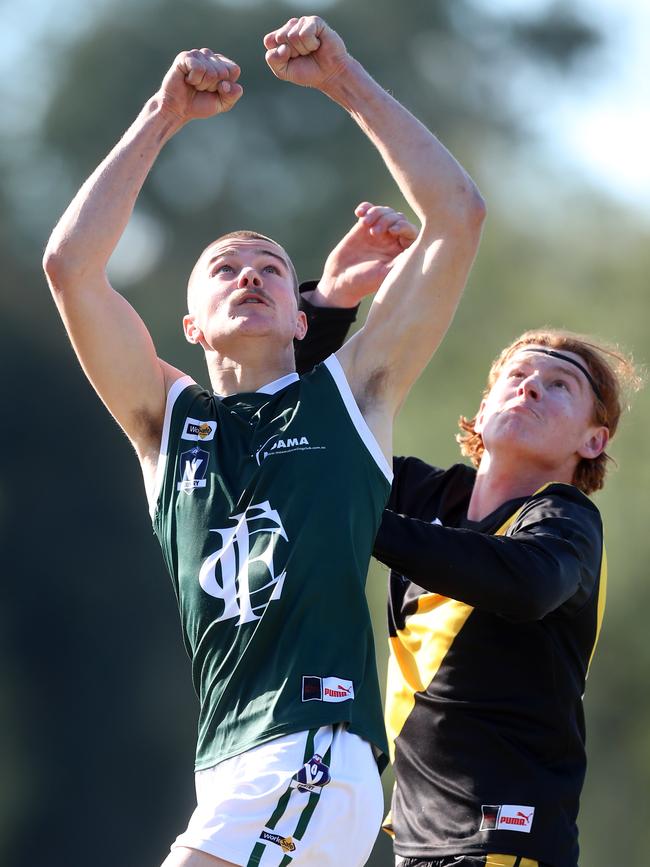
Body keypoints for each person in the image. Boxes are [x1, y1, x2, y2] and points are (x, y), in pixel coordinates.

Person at [43, 15, 486, 867]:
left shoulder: (350, 392)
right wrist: (162, 114)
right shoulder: (165, 422)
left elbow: (457, 216)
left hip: (313, 749)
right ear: (191, 326)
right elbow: (70, 267)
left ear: (300, 311)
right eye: (224, 268)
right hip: (226, 766)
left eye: (272, 269)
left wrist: (345, 81)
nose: (250, 274)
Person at [294, 210, 642, 867]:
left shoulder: (563, 519)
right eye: (516, 376)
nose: (532, 384)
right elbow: (314, 438)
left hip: (508, 840)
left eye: (560, 385)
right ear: (482, 411)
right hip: (420, 844)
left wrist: (361, 519)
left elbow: (527, 582)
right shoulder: (425, 495)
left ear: (593, 441)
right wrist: (332, 299)